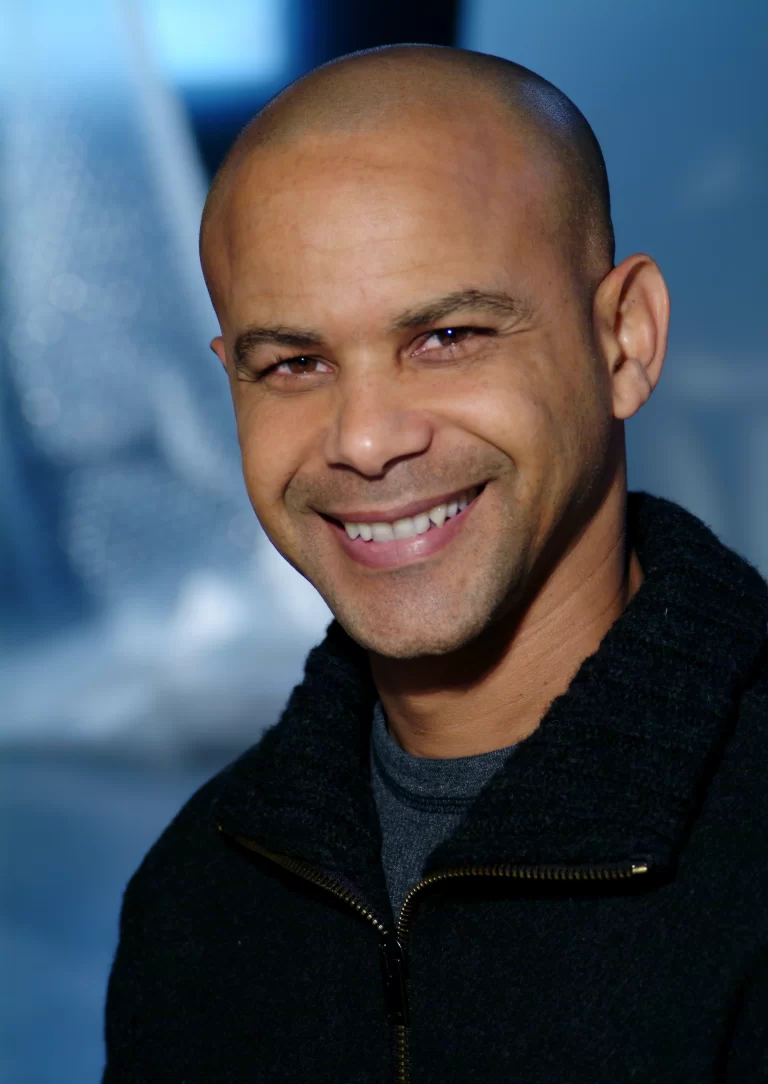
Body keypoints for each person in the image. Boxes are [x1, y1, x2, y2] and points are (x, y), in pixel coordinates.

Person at [102, 45, 768, 1083]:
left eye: (448, 335)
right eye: (295, 363)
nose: (365, 440)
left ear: (624, 343)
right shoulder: (197, 896)